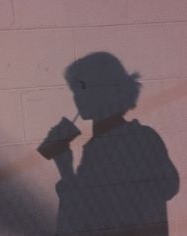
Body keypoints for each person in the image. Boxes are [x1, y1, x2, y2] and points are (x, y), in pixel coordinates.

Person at [38, 52, 179, 235]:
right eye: (74, 90)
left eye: (83, 88)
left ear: (105, 90)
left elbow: (90, 218)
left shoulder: (129, 142)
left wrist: (65, 168)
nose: (77, 98)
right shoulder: (105, 144)